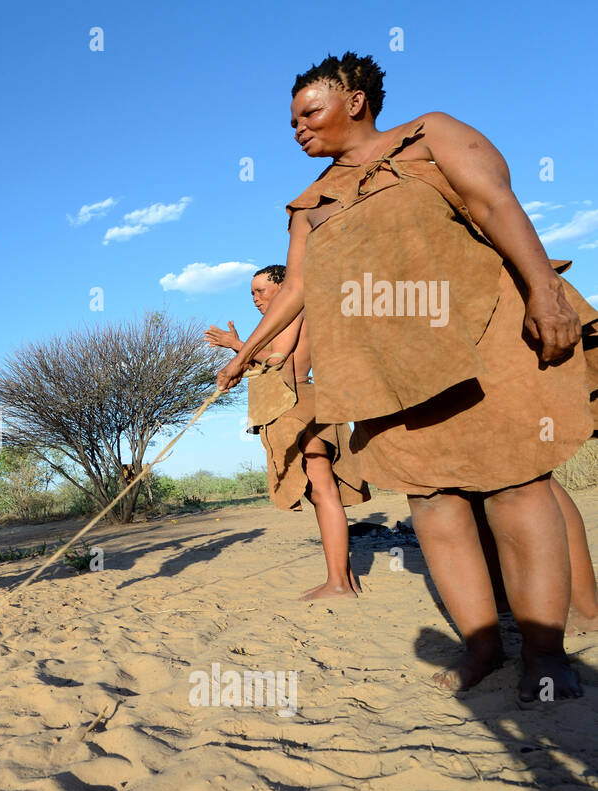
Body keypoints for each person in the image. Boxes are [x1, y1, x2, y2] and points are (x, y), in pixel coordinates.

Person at [217, 52, 598, 700]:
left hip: (480, 331)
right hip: (387, 362)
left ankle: (544, 653)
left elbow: (495, 200)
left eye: (308, 113)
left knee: (516, 484)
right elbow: (300, 286)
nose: (297, 129)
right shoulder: (310, 204)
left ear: (355, 101)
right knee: (432, 501)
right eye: (292, 121)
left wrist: (544, 288)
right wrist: (243, 352)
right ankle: (483, 648)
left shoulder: (431, 136)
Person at [206, 265, 370, 598]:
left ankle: (339, 584)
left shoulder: (293, 308)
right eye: (251, 293)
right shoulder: (290, 312)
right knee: (320, 492)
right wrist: (242, 362)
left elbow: (277, 357)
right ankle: (342, 579)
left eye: (261, 291)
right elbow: (271, 362)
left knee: (324, 489)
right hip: (301, 403)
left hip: (300, 403)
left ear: (283, 287)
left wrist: (235, 345)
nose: (255, 299)